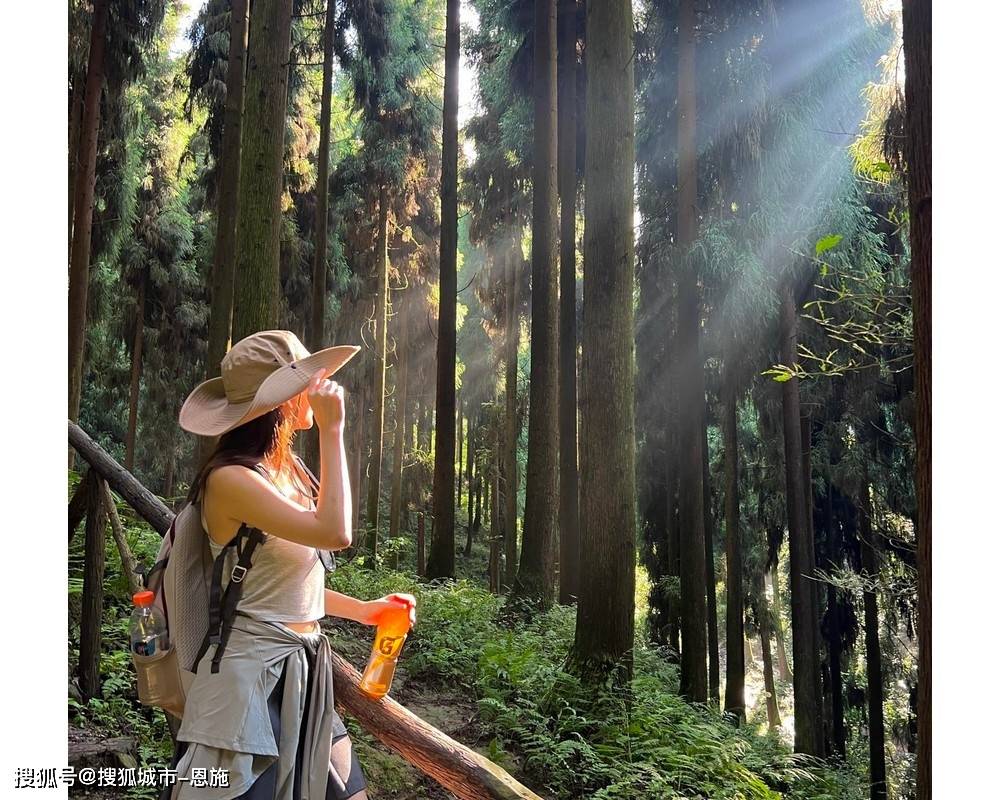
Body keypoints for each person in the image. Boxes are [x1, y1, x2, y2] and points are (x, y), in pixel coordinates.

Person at [167, 329, 416, 800]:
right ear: (279, 400)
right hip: (246, 680)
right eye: (305, 377)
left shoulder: (289, 473)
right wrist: (333, 429)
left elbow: (277, 584)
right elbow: (335, 532)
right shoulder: (230, 480)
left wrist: (366, 610)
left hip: (305, 673)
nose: (319, 381)